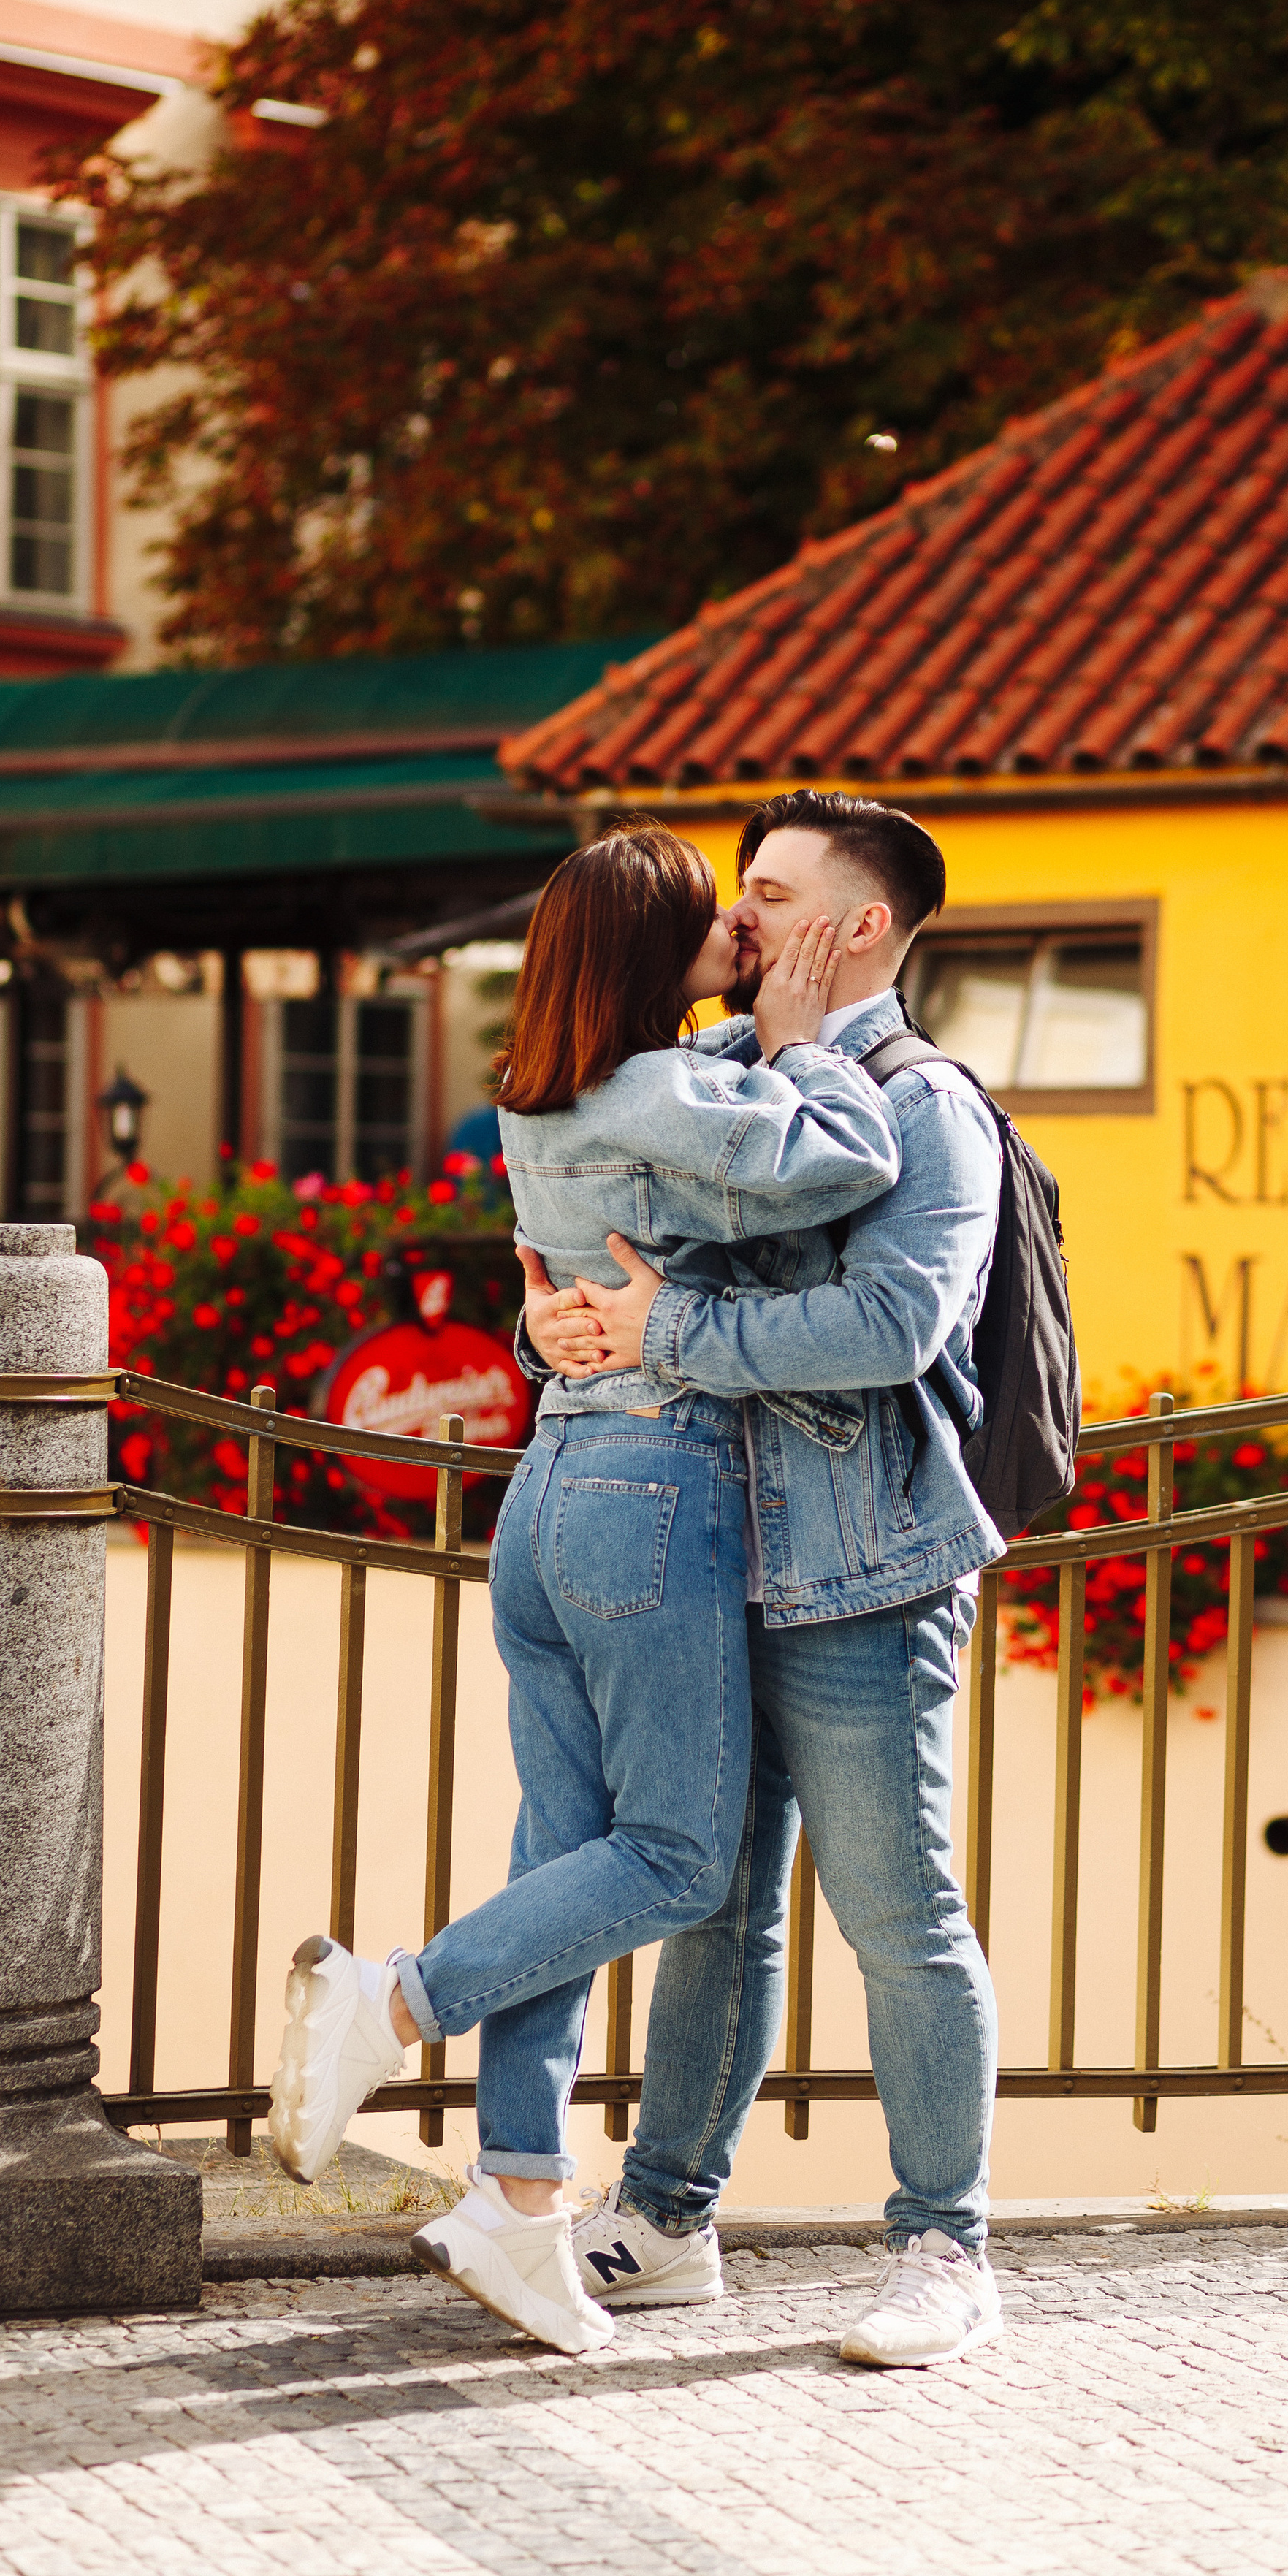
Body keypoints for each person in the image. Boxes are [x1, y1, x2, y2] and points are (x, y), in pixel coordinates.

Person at [266, 822, 904, 2355]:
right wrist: (801, 1040)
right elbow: (853, 1160)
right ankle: (394, 1998)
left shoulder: (537, 1094)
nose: (738, 930)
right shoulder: (670, 1092)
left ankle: (520, 2197)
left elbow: (606, 1237)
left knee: (564, 1857)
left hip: (551, 1491)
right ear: (644, 952)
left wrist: (746, 1052)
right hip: (654, 1489)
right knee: (680, 1860)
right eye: (710, 915)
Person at [521, 791, 1009, 2369]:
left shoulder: (926, 1106)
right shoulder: (715, 1070)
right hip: (709, 1551)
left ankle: (944, 2246)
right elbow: (609, 1230)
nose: (739, 917)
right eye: (741, 889)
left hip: (863, 1567)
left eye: (775, 895)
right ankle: (667, 2218)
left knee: (898, 1913)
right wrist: (555, 1323)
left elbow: (890, 1327)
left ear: (858, 927)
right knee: (714, 1908)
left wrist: (664, 1333)